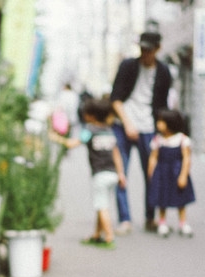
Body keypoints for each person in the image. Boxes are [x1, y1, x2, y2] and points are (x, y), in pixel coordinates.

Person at [110, 31, 172, 235]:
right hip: (123, 125)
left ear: (157, 49)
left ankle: (150, 218)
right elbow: (116, 99)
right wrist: (128, 124)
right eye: (142, 49)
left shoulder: (164, 72)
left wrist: (165, 132)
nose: (145, 53)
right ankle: (125, 219)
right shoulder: (128, 66)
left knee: (152, 174)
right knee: (121, 174)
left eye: (149, 50)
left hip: (149, 128)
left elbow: (162, 106)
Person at [50, 98, 126, 248]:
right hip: (113, 174)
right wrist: (121, 173)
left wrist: (56, 138)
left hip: (100, 174)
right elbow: (116, 154)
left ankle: (109, 236)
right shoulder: (109, 131)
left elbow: (72, 143)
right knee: (102, 203)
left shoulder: (89, 131)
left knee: (101, 205)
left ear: (91, 115)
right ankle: (97, 234)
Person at [147, 109, 195, 237]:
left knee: (181, 199)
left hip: (177, 172)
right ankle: (162, 222)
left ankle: (183, 223)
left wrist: (184, 175)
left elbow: (186, 158)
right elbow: (153, 156)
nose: (158, 123)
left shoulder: (182, 140)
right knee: (162, 198)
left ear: (171, 123)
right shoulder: (158, 140)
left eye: (161, 121)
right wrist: (151, 172)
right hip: (162, 173)